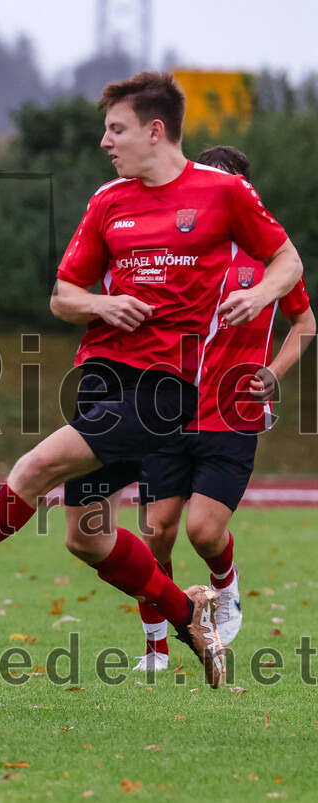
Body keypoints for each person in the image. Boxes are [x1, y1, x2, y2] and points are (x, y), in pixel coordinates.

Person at [0, 72, 304, 689]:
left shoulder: (222, 193)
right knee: (85, 536)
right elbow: (63, 296)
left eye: (115, 129)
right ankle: (187, 614)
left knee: (34, 468)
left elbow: (288, 261)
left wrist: (262, 300)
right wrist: (100, 306)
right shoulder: (109, 201)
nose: (104, 141)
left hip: (163, 390)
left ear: (155, 130)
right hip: (101, 378)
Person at [129, 146, 315, 671]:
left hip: (232, 414)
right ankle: (157, 647)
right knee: (155, 533)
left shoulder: (273, 261)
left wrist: (272, 374)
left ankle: (224, 585)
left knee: (204, 531)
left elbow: (306, 323)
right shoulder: (172, 255)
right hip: (167, 412)